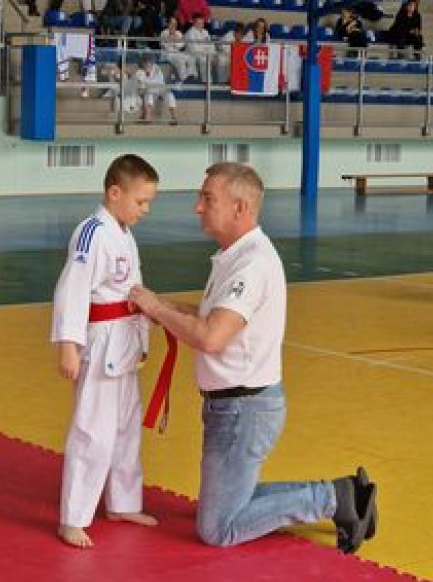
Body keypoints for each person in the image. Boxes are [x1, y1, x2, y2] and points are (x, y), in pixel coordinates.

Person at [130, 162, 378, 553]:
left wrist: (158, 311)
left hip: (244, 410)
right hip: (237, 407)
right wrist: (158, 303)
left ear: (240, 208)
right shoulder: (235, 256)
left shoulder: (252, 264)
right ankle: (340, 492)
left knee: (218, 529)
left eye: (207, 199)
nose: (198, 207)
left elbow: (211, 337)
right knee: (225, 508)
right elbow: (210, 316)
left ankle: (332, 499)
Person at [51, 153, 160, 549]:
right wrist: (68, 345)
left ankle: (122, 501)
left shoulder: (124, 233)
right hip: (98, 343)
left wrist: (145, 329)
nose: (145, 210)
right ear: (115, 193)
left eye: (149, 202)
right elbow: (72, 291)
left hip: (126, 339)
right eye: (141, 201)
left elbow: (133, 288)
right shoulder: (92, 233)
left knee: (125, 427)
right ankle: (73, 516)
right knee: (92, 431)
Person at [135, 54, 177, 124]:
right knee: (148, 96)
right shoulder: (139, 72)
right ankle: (147, 119)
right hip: (148, 91)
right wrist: (142, 91)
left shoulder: (156, 68)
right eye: (145, 62)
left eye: (149, 62)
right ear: (142, 63)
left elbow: (160, 83)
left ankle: (174, 118)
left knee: (170, 95)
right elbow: (141, 88)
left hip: (160, 89)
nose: (148, 64)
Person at [160, 15, 196, 83]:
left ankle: (191, 75)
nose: (173, 26)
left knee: (190, 57)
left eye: (175, 24)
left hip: (177, 53)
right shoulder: (164, 33)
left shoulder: (178, 33)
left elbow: (181, 45)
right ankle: (183, 79)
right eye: (172, 23)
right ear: (168, 24)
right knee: (180, 61)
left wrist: (174, 41)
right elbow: (165, 46)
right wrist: (172, 38)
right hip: (167, 55)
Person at [184, 12, 215, 81]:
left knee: (219, 59)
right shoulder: (190, 33)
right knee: (204, 60)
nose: (201, 25)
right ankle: (206, 82)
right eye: (199, 23)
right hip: (193, 55)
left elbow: (211, 45)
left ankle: (219, 82)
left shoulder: (205, 32)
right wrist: (205, 49)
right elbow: (194, 49)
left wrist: (209, 51)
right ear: (194, 23)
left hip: (206, 54)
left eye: (202, 23)